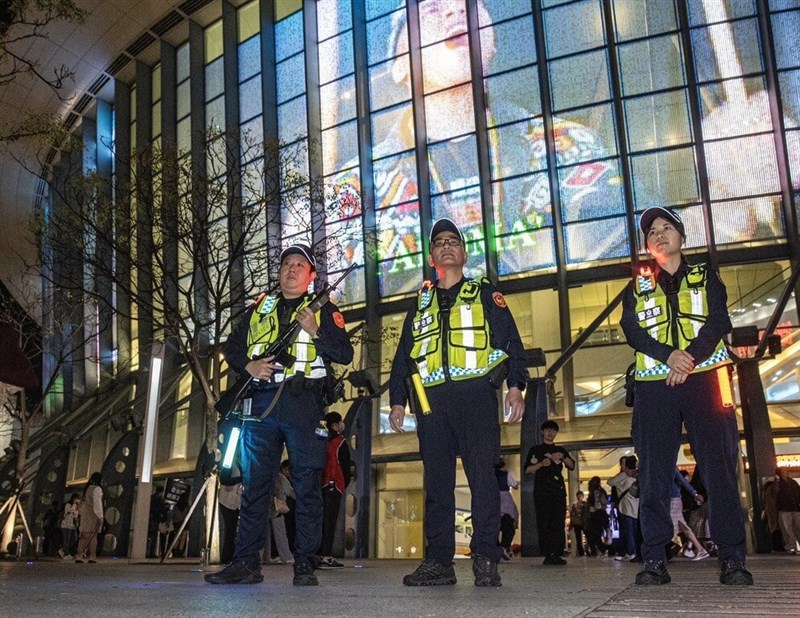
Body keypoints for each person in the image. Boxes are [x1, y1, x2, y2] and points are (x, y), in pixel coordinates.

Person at [388, 218, 527, 587]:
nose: (447, 246)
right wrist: (397, 401)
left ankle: (485, 558)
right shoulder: (420, 303)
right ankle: (438, 562)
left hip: (476, 398)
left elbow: (511, 342)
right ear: (432, 256)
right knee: (436, 483)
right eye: (439, 242)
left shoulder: (484, 292)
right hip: (430, 404)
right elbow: (404, 356)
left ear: (463, 254)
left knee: (484, 480)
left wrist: (516, 386)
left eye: (454, 241)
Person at [205, 243, 354, 586]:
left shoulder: (325, 310)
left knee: (306, 487)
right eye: (287, 263)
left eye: (300, 265)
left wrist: (316, 330)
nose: (291, 269)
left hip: (303, 404)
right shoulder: (260, 308)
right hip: (261, 404)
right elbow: (232, 347)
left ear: (311, 276)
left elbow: (344, 354)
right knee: (255, 486)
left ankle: (304, 563)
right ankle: (245, 563)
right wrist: (248, 365)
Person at [620, 206, 752, 586]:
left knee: (720, 471)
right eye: (652, 232)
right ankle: (655, 560)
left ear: (681, 236)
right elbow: (631, 328)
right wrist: (669, 356)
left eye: (666, 228)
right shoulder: (638, 286)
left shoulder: (706, 276)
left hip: (707, 379)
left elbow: (718, 321)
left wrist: (688, 358)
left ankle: (732, 559)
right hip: (653, 386)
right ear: (647, 244)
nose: (659, 235)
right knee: (655, 474)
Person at [524, 420, 574, 565]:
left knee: (558, 522)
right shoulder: (535, 450)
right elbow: (527, 470)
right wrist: (541, 464)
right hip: (542, 491)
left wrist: (563, 457)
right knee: (544, 521)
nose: (550, 433)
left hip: (558, 490)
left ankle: (557, 552)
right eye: (547, 430)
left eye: (553, 431)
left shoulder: (561, 449)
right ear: (542, 432)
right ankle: (547, 552)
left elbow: (572, 466)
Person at [318, 411, 351, 569]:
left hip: (320, 486)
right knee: (330, 522)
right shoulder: (340, 442)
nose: (342, 424)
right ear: (335, 425)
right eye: (340, 421)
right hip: (334, 484)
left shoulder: (321, 440)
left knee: (319, 520)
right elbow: (345, 467)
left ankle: (316, 554)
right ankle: (326, 556)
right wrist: (344, 484)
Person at [609, 456, 640, 561]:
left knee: (628, 531)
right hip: (637, 506)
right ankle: (636, 551)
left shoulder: (623, 475)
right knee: (635, 530)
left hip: (626, 507)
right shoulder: (638, 475)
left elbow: (610, 482)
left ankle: (631, 552)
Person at [75, 472, 104, 563]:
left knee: (84, 536)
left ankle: (79, 556)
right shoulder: (97, 489)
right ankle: (92, 556)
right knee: (93, 536)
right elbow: (97, 504)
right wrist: (100, 516)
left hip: (85, 514)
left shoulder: (87, 489)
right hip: (93, 515)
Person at [494, 459, 519, 560]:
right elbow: (515, 486)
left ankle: (496, 548)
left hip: (493, 500)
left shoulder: (491, 475)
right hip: (505, 501)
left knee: (494, 528)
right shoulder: (506, 474)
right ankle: (503, 547)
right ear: (503, 466)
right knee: (509, 529)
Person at [775, 467, 800, 553]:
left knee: (797, 527)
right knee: (787, 528)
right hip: (785, 509)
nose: (786, 472)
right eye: (784, 471)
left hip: (794, 508)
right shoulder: (778, 483)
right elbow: (775, 492)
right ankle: (791, 546)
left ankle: (793, 546)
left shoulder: (793, 482)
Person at [218, 482, 242, 565]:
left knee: (232, 530)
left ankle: (230, 556)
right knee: (229, 530)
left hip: (236, 502)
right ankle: (226, 557)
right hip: (227, 501)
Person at [585, 476, 609, 557]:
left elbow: (596, 505)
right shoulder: (601, 491)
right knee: (597, 533)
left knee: (593, 533)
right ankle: (602, 548)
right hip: (601, 514)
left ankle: (599, 549)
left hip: (596, 514)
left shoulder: (595, 492)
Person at [58, 493, 81, 560]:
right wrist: (74, 505)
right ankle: (66, 553)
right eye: (77, 499)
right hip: (66, 525)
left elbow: (76, 516)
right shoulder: (68, 505)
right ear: (74, 498)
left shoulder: (77, 507)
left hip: (72, 526)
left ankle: (63, 550)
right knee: (66, 539)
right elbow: (69, 511)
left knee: (74, 539)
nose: (78, 500)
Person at [569, 491, 589, 557]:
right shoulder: (574, 505)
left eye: (580, 496)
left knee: (587, 536)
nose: (579, 497)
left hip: (583, 523)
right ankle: (581, 552)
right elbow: (572, 514)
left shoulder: (585, 504)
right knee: (578, 539)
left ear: (582, 496)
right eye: (578, 496)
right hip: (576, 523)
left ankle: (587, 549)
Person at [147, 486, 165, 558]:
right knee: (154, 537)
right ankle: (151, 553)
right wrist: (163, 517)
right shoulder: (160, 499)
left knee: (148, 536)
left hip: (149, 518)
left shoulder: (151, 497)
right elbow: (162, 509)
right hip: (156, 519)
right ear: (161, 491)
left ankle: (146, 551)